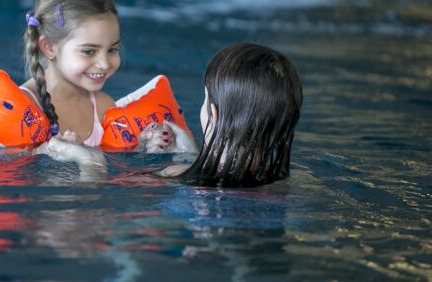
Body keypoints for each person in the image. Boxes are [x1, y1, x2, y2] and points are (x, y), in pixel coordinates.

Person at [39, 42, 303, 188]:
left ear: (212, 112)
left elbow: (95, 204)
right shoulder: (290, 183)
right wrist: (190, 153)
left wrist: (90, 161)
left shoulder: (177, 174)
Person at [20, 0, 121, 147]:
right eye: (89, 51)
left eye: (112, 50)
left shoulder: (104, 107)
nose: (104, 64)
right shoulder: (20, 108)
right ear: (49, 47)